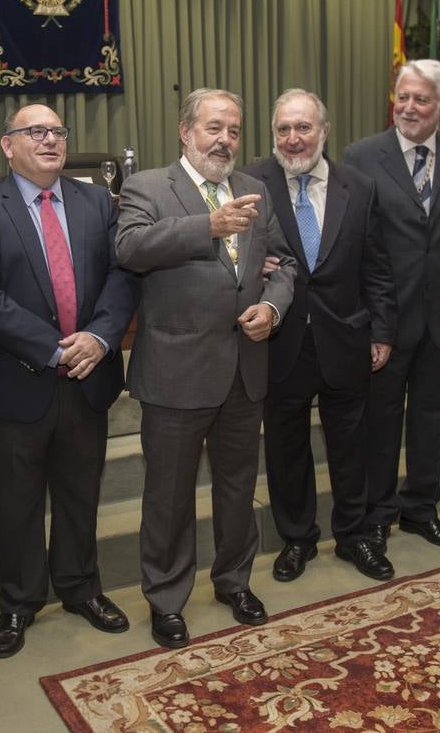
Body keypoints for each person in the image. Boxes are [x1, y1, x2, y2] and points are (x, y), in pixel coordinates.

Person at [0, 104, 138, 659]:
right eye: (36, 132)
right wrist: (54, 348)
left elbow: (121, 278)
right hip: (15, 382)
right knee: (15, 502)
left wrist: (100, 338)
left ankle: (81, 588)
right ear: (8, 146)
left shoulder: (97, 203)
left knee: (81, 495)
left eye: (58, 131)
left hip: (88, 374)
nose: (51, 140)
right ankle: (18, 601)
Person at [116, 88, 295, 649]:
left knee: (239, 487)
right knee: (168, 495)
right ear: (185, 131)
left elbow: (283, 261)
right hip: (176, 371)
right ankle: (167, 600)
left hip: (244, 368)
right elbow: (129, 247)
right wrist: (206, 228)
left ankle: (234, 581)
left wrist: (272, 306)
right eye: (214, 127)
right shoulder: (147, 186)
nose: (224, 140)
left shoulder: (255, 189)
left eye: (234, 131)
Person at [242, 89, 397, 582]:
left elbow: (377, 267)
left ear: (324, 132)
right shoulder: (251, 183)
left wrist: (382, 330)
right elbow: (229, 255)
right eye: (283, 129)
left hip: (346, 339)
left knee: (351, 446)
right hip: (280, 341)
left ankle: (354, 536)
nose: (293, 139)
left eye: (303, 128)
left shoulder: (360, 186)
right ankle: (297, 539)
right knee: (286, 450)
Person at [343, 59, 440, 554]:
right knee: (381, 422)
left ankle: (421, 508)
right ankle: (378, 514)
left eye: (420, 99)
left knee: (430, 417)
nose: (408, 107)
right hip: (386, 318)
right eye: (402, 97)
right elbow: (355, 243)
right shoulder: (361, 156)